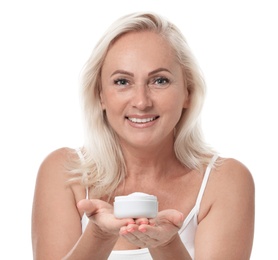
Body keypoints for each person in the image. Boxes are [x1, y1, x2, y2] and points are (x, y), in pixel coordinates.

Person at [31, 12, 255, 259]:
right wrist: (99, 235)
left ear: (188, 92)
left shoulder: (225, 181)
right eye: (122, 82)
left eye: (159, 80)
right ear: (101, 95)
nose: (141, 101)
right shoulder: (64, 172)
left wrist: (167, 243)